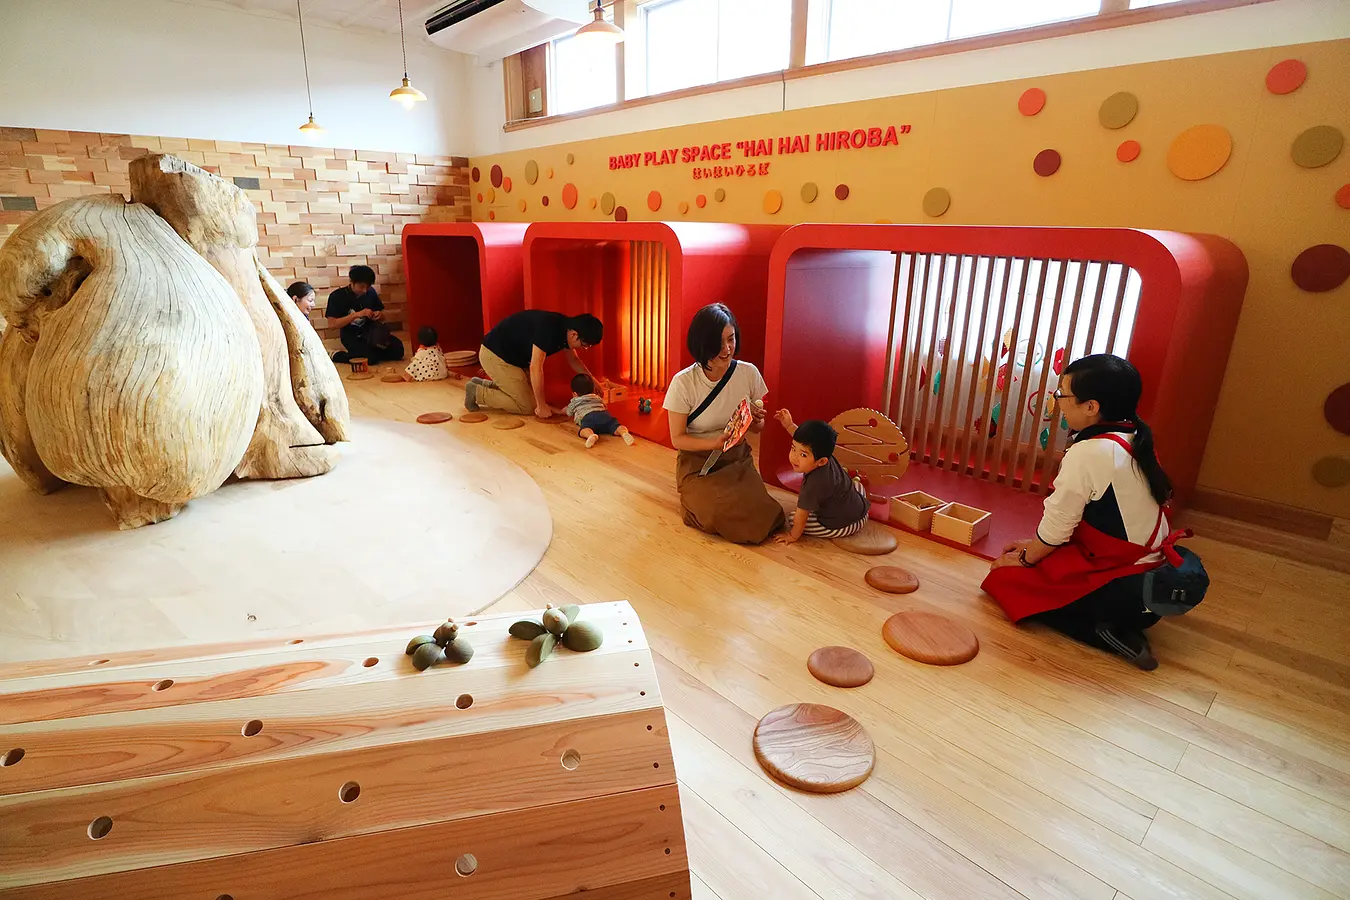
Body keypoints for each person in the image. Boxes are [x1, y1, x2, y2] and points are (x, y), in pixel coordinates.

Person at [982, 353, 1187, 670]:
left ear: (1091, 407)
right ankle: (1110, 616)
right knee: (1025, 563)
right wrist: (1030, 546)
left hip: (1125, 590)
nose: (1058, 402)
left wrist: (1023, 559)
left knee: (1001, 577)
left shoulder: (1090, 452)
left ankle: (1105, 630)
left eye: (1062, 395)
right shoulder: (1134, 436)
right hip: (1147, 576)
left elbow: (1057, 528)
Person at [663, 302, 786, 544]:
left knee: (765, 513)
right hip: (698, 464)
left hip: (736, 458)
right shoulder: (683, 383)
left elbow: (758, 429)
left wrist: (754, 421)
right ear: (701, 344)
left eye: (731, 339)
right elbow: (677, 439)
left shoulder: (748, 373)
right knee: (717, 512)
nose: (726, 349)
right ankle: (693, 504)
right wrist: (714, 443)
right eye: (718, 343)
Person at [466, 310, 602, 419]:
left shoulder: (565, 328)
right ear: (574, 335)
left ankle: (483, 384)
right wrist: (541, 405)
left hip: (514, 360)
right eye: (585, 345)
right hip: (495, 356)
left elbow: (574, 360)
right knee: (526, 406)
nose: (584, 348)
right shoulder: (549, 329)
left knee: (530, 397)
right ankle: (477, 392)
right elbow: (536, 367)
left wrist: (594, 381)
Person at [771, 411, 870, 544]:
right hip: (861, 508)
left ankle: (838, 523)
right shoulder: (825, 454)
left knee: (792, 518)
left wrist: (793, 536)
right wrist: (789, 425)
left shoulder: (812, 485)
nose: (794, 457)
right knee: (857, 486)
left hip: (845, 525)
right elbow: (804, 442)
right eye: (793, 449)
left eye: (803, 455)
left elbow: (801, 518)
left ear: (821, 461)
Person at [325, 265, 404, 364]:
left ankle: (366, 353)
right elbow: (332, 324)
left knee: (398, 349)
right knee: (370, 359)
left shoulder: (370, 292)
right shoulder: (337, 296)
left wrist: (379, 314)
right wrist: (356, 315)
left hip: (373, 334)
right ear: (352, 282)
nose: (365, 290)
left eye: (368, 286)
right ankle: (336, 355)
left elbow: (383, 315)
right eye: (361, 286)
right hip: (352, 337)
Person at [565, 374, 635, 448]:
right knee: (614, 425)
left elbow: (569, 412)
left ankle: (590, 435)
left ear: (575, 394)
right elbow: (604, 406)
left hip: (588, 417)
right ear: (593, 389)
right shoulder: (597, 397)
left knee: (584, 429)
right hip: (604, 415)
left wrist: (562, 411)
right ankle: (623, 432)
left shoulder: (575, 400)